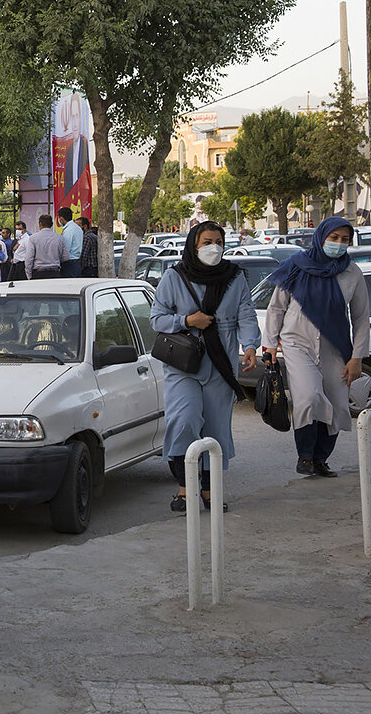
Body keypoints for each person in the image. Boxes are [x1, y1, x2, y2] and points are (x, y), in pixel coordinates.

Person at [151, 222, 259, 512]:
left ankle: (210, 490)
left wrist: (250, 346)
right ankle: (186, 487)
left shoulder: (234, 278)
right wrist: (187, 321)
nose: (213, 247)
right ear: (193, 244)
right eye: (206, 241)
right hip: (183, 366)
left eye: (218, 241)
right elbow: (157, 319)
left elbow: (246, 314)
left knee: (216, 431)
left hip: (220, 366)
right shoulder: (174, 277)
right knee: (184, 421)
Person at [262, 216, 371, 478]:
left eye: (345, 240)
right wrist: (269, 345)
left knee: (338, 404)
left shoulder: (351, 272)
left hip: (335, 346)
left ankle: (321, 458)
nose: (339, 244)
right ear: (321, 237)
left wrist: (357, 357)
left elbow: (360, 316)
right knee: (308, 397)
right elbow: (276, 308)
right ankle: (306, 456)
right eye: (334, 238)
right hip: (296, 341)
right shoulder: (296, 266)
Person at [27, 214, 69, 278]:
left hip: (38, 273)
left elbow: (29, 259)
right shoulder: (60, 238)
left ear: (40, 224)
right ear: (52, 224)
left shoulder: (33, 238)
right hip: (55, 273)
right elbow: (66, 257)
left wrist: (29, 275)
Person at [59, 207, 84, 277]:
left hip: (69, 264)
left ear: (61, 219)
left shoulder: (68, 230)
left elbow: (66, 249)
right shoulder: (77, 228)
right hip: (76, 263)